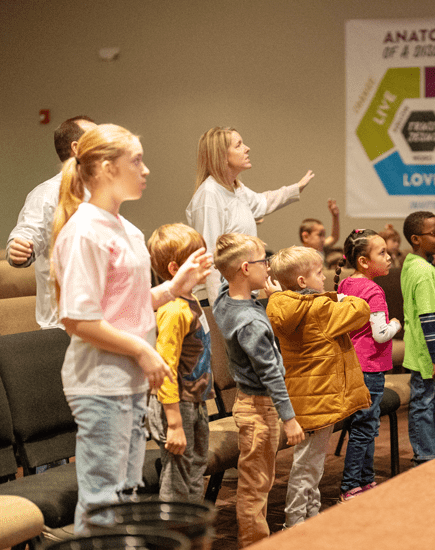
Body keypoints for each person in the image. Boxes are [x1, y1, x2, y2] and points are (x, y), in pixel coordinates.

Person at [50, 124, 212, 534]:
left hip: (128, 383)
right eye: (136, 160)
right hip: (100, 382)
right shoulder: (85, 231)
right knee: (103, 499)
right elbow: (78, 319)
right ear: (106, 168)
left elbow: (127, 306)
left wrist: (173, 288)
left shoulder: (127, 229)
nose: (146, 170)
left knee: (124, 494)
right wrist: (142, 351)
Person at [266, 246, 370, 528]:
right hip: (320, 399)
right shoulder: (320, 308)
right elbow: (360, 310)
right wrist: (342, 297)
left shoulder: (280, 305)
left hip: (305, 397)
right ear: (302, 282)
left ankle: (310, 515)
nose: (323, 277)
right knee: (308, 467)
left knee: (310, 463)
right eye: (317, 272)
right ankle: (295, 523)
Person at [211, 233, 304, 546]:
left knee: (257, 480)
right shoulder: (251, 322)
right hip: (261, 409)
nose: (269, 265)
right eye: (264, 260)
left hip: (246, 403)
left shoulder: (224, 301)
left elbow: (230, 284)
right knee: (256, 484)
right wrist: (289, 418)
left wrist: (264, 295)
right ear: (246, 268)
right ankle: (254, 542)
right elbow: (272, 375)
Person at [186, 126, 315, 303]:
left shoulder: (236, 189)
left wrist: (296, 188)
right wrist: (221, 311)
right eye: (238, 145)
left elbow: (263, 202)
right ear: (222, 156)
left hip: (239, 295)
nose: (247, 148)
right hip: (219, 299)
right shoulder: (209, 195)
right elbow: (211, 257)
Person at [145, 223, 215, 504]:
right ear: (175, 268)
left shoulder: (191, 301)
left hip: (193, 401)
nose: (207, 261)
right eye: (197, 258)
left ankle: (191, 533)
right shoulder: (174, 310)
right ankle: (175, 537)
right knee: (178, 480)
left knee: (194, 469)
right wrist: (173, 423)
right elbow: (164, 369)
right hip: (175, 406)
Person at [7, 115, 97, 329]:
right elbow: (27, 234)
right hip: (64, 328)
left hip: (104, 322)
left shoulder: (102, 191)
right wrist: (18, 249)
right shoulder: (47, 194)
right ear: (77, 148)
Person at [333, 229, 400, 501]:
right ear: (363, 261)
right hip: (369, 367)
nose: (389, 257)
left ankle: (366, 479)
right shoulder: (373, 290)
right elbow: (380, 333)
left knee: (365, 425)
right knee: (364, 427)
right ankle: (350, 486)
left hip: (351, 364)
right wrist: (396, 324)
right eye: (381, 253)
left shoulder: (346, 284)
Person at [401, 211, 435, 465]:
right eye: (433, 233)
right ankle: (426, 455)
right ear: (416, 239)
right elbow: (428, 318)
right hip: (427, 354)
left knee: (433, 404)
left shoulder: (419, 266)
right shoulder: (422, 272)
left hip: (427, 352)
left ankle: (433, 451)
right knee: (424, 405)